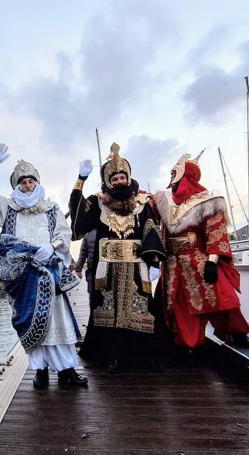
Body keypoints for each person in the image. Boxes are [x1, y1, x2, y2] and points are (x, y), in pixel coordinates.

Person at [0, 143, 87, 388]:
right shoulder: (8, 208)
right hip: (23, 276)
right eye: (22, 183)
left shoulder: (51, 208)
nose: (27, 186)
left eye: (31, 182)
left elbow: (64, 233)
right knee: (27, 319)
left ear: (37, 183)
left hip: (49, 271)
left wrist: (53, 245)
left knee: (58, 321)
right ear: (17, 186)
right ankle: (40, 371)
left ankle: (67, 371)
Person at [69, 143, 167, 372]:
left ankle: (146, 356)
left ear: (129, 178)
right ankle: (112, 356)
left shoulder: (142, 205)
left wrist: (153, 261)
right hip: (107, 269)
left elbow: (150, 231)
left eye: (123, 177)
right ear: (108, 182)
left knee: (141, 309)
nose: (120, 181)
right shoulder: (98, 203)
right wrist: (80, 180)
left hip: (136, 267)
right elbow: (78, 221)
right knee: (109, 311)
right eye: (115, 179)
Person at [153, 152, 249, 350]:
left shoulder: (207, 201)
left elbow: (216, 233)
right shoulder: (165, 202)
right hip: (174, 264)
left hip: (199, 260)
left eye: (175, 174)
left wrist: (212, 261)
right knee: (180, 306)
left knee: (222, 297)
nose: (171, 179)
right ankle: (187, 344)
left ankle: (236, 333)